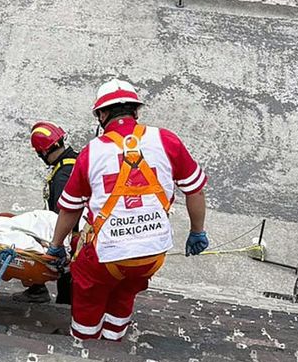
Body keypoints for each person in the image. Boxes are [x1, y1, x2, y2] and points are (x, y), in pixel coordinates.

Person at [47, 79, 208, 342]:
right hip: (151, 254)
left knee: (89, 297)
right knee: (126, 292)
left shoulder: (91, 153)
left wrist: (55, 245)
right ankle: (113, 341)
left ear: (102, 114)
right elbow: (195, 190)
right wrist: (197, 232)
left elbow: (70, 210)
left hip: (105, 257)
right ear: (135, 111)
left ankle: (84, 345)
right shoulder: (166, 141)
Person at [16, 121, 79, 305]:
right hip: (75, 230)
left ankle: (61, 307)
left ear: (43, 152)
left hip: (70, 234)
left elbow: (64, 211)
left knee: (65, 278)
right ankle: (39, 289)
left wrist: (57, 240)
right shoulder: (73, 161)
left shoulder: (62, 175)